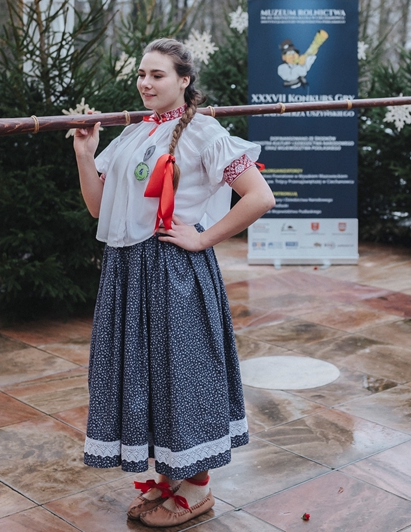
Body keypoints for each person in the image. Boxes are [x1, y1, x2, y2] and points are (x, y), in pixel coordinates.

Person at [73, 38, 275, 528]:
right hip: (127, 273)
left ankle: (198, 486)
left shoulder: (204, 133)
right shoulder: (132, 133)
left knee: (181, 374)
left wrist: (203, 238)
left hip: (173, 271)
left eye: (157, 75)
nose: (145, 83)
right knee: (148, 375)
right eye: (142, 74)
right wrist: (85, 152)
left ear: (184, 81)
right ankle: (170, 477)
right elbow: (98, 207)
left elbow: (259, 196)